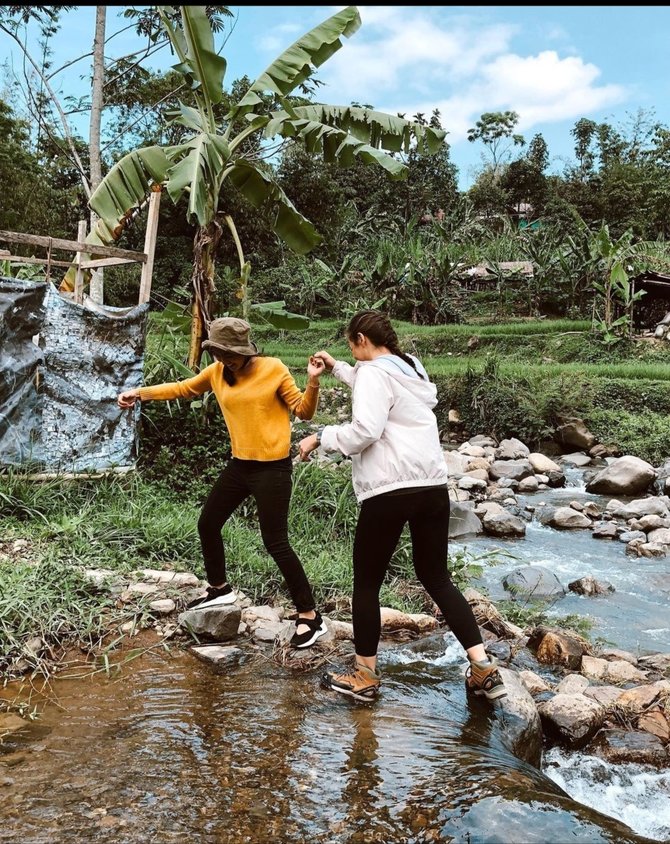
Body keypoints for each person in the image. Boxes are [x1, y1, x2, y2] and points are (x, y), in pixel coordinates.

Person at [298, 310, 506, 700]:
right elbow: (376, 382)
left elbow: (365, 430)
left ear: (361, 339)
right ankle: (482, 667)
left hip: (390, 489)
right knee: (436, 576)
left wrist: (320, 436)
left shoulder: (375, 374)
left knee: (367, 583)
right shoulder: (410, 367)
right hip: (431, 486)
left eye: (350, 347)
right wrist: (338, 367)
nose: (351, 354)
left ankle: (365, 676)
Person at [118, 316, 328, 649]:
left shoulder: (273, 369)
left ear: (245, 350)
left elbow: (303, 412)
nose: (224, 359)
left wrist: (313, 381)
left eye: (230, 352)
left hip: (272, 469)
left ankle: (309, 616)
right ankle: (219, 589)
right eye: (219, 352)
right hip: (240, 465)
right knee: (208, 523)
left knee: (276, 543)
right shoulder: (217, 372)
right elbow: (183, 388)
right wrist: (140, 393)